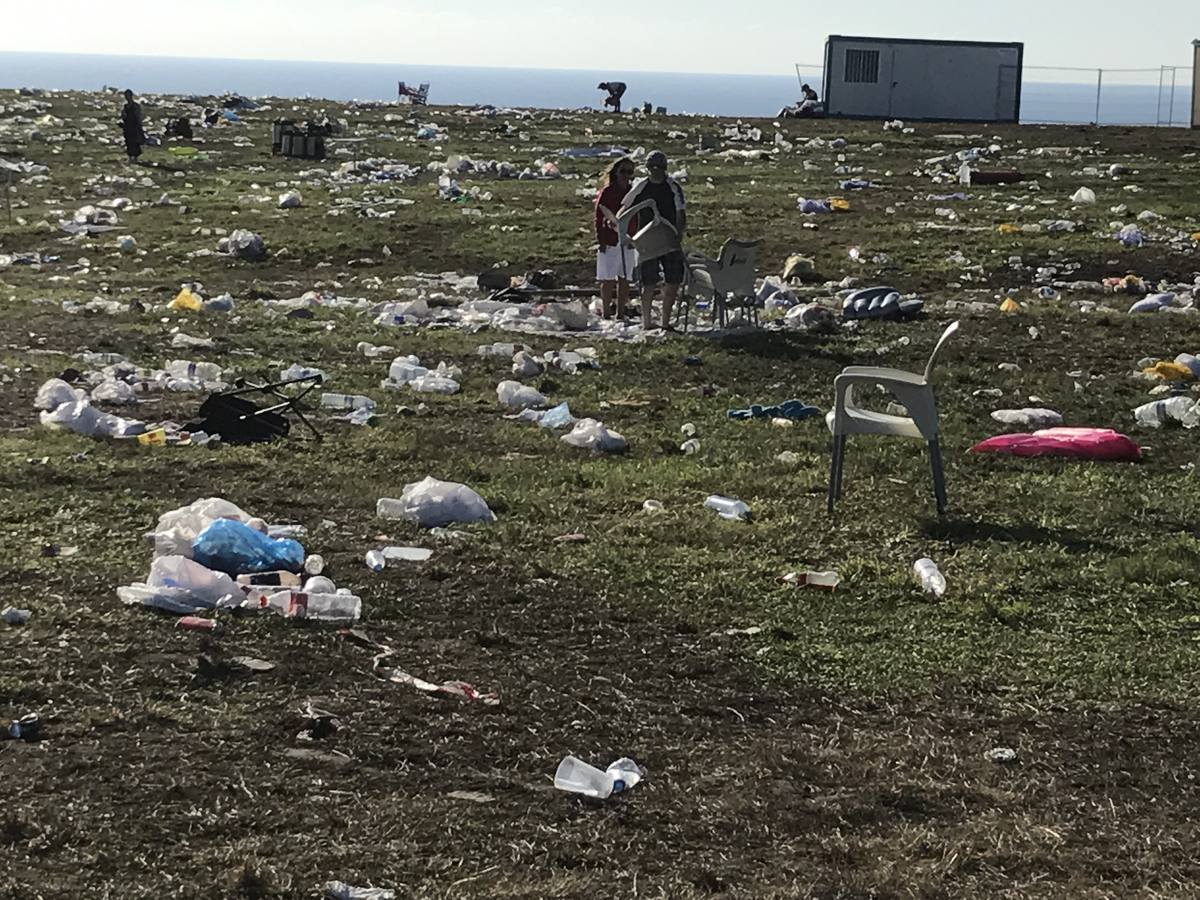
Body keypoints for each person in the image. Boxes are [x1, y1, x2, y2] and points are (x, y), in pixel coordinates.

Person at [620, 150, 686, 331]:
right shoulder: (641, 186)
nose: (656, 171)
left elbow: (681, 212)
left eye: (660, 167)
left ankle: (665, 322)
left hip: (668, 239)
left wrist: (678, 235)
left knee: (673, 280)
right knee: (648, 282)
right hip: (647, 240)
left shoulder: (673, 187)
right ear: (648, 168)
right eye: (653, 167)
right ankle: (647, 322)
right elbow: (625, 208)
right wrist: (622, 230)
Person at [593, 156, 637, 319]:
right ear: (616, 173)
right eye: (623, 171)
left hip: (628, 240)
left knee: (625, 277)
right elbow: (599, 216)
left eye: (630, 172)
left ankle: (620, 312)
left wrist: (635, 236)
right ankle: (606, 312)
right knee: (607, 278)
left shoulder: (632, 193)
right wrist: (601, 239)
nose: (626, 175)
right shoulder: (608, 192)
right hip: (610, 240)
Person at [120, 89, 145, 163]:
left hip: (134, 126)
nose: (127, 97)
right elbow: (123, 116)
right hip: (127, 127)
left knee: (135, 142)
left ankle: (136, 158)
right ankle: (130, 157)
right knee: (129, 142)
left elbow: (138, 116)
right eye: (126, 96)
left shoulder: (136, 106)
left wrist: (139, 126)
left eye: (128, 95)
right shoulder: (125, 106)